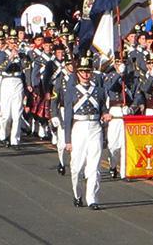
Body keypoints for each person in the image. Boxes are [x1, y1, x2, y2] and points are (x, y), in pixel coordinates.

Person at [64, 57, 112, 210]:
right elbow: (67, 117)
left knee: (94, 165)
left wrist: (105, 114)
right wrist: (67, 140)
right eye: (83, 71)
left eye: (88, 71)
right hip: (78, 127)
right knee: (76, 167)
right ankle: (77, 194)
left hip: (95, 127)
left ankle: (92, 198)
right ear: (78, 73)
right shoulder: (71, 91)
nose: (85, 74)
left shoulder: (98, 90)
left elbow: (103, 107)